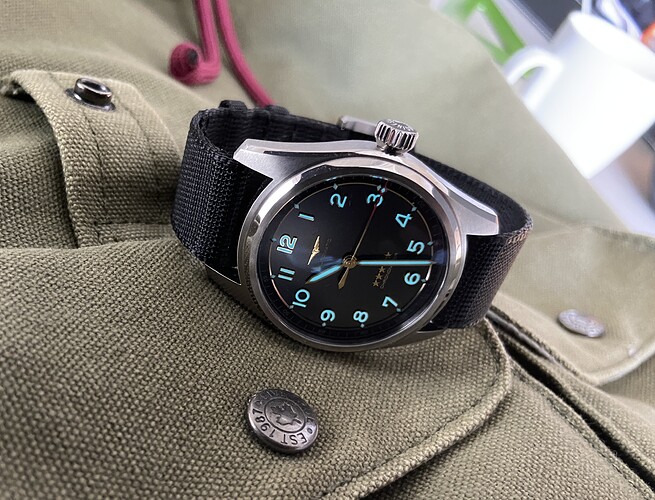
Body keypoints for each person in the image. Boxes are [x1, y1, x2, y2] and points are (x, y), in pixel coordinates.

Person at [0, 1, 653, 497]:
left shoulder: (458, 266)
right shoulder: (241, 178)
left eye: (359, 265)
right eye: (346, 258)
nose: (349, 265)